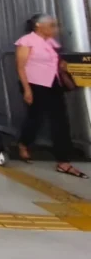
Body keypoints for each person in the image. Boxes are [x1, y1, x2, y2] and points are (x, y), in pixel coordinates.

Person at [15, 14, 87, 179]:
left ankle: (63, 161)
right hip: (35, 84)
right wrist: (27, 90)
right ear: (39, 26)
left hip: (53, 83)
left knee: (60, 120)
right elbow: (20, 67)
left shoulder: (51, 42)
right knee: (35, 118)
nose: (55, 28)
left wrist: (63, 67)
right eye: (52, 25)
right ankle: (24, 142)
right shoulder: (26, 41)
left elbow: (55, 62)